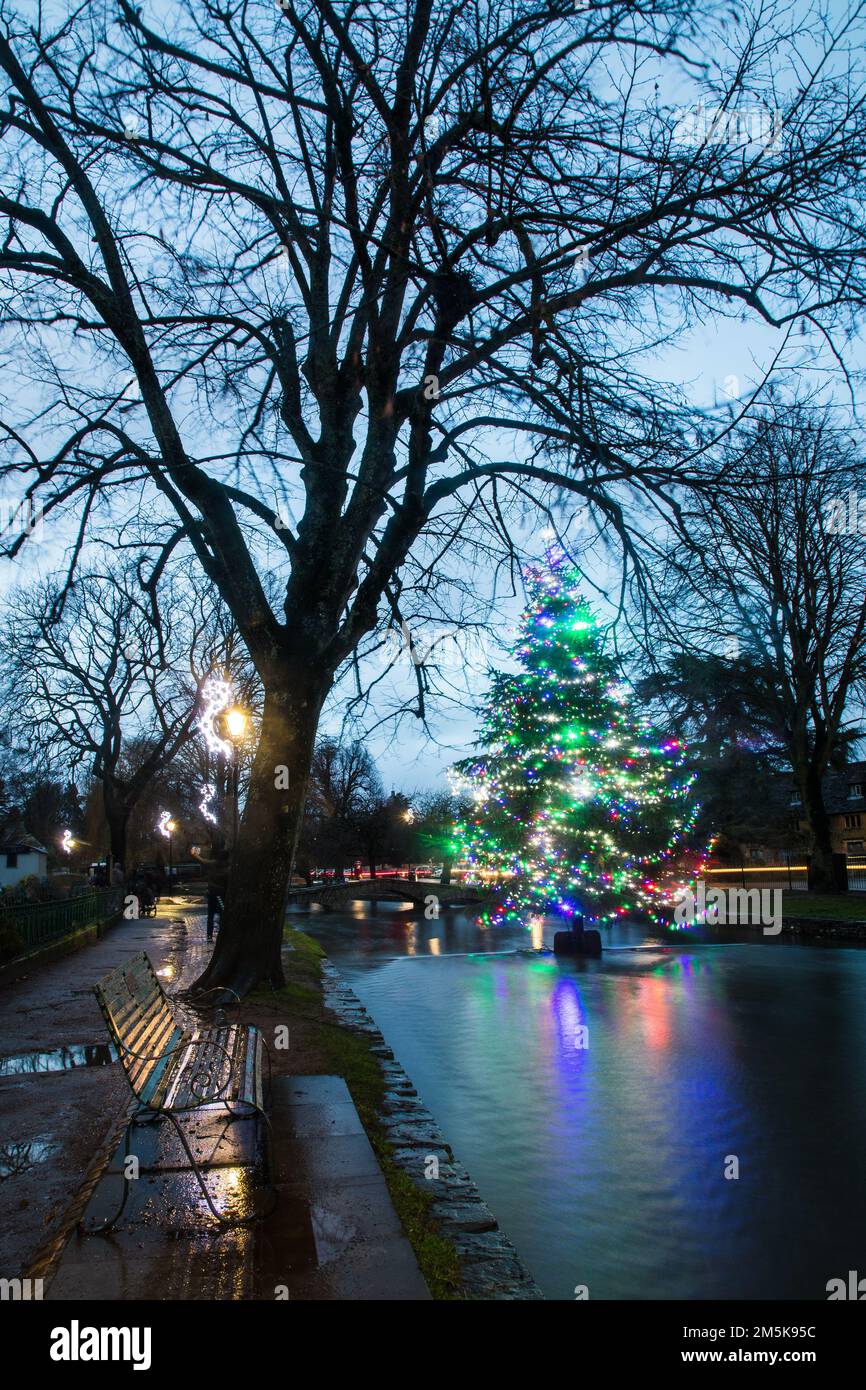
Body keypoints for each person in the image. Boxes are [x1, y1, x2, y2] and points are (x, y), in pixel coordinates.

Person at [191, 845, 230, 943]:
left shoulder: (213, 864)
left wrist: (195, 855)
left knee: (210, 914)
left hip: (212, 893)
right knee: (222, 913)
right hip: (220, 895)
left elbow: (203, 861)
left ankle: (209, 936)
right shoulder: (228, 869)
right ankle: (223, 935)